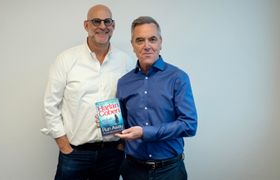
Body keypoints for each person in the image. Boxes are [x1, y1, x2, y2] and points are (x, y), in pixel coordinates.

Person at [41, 4, 133, 180]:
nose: (102, 26)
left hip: (112, 154)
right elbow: (50, 104)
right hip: (75, 153)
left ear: (113, 25)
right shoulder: (66, 59)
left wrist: (122, 143)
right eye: (96, 21)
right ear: (86, 25)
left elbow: (132, 104)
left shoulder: (125, 61)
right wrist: (63, 144)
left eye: (107, 21)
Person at [115, 16, 198, 180]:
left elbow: (189, 125)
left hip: (170, 171)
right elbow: (123, 126)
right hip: (133, 170)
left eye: (152, 39)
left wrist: (145, 132)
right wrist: (109, 122)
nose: (147, 46)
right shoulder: (124, 82)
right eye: (140, 40)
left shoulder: (178, 78)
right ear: (132, 45)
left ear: (160, 42)